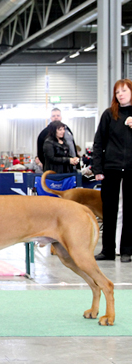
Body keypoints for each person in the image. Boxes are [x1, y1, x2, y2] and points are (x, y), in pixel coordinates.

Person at [93, 78, 132, 262]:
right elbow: (99, 142)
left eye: (124, 91)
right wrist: (97, 168)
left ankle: (127, 250)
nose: (120, 94)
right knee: (108, 210)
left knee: (130, 211)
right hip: (111, 168)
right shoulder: (109, 115)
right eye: (117, 92)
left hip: (131, 168)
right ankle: (108, 250)